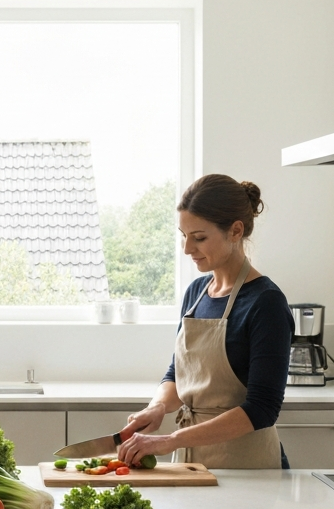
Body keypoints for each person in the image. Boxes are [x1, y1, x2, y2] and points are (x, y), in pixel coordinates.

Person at [118, 174, 294, 470]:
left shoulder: (266, 302)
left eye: (199, 238)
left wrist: (170, 440)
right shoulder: (196, 293)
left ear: (235, 231)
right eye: (183, 236)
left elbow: (263, 409)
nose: (187, 249)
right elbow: (178, 373)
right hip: (190, 462)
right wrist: (158, 407)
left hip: (247, 468)